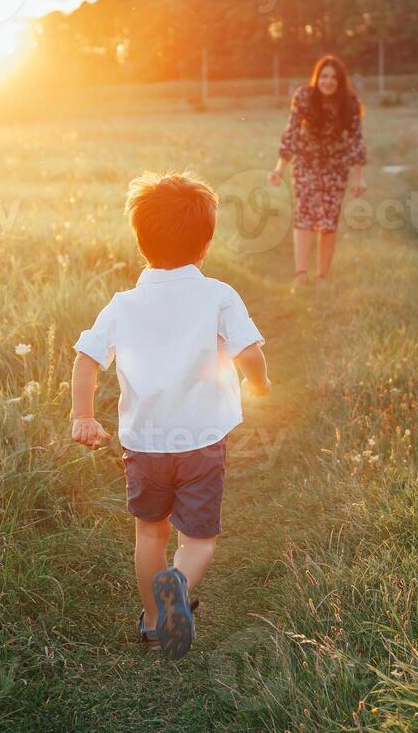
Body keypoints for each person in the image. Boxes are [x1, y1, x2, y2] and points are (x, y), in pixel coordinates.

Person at [68, 171, 271, 658]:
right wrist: (261, 386)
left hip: (144, 442)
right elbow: (248, 353)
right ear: (205, 245)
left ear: (141, 244)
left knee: (149, 532)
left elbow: (86, 359)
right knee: (198, 537)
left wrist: (83, 415)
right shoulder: (219, 294)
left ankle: (156, 623)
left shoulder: (123, 304)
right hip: (200, 439)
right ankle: (177, 585)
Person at [269, 55, 369, 287]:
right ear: (317, 77)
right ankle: (301, 275)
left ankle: (322, 276)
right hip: (306, 163)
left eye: (333, 77)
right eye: (324, 76)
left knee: (328, 221)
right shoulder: (304, 96)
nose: (328, 81)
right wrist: (279, 168)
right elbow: (291, 132)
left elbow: (356, 139)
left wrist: (359, 177)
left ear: (340, 81)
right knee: (304, 216)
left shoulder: (350, 102)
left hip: (336, 166)